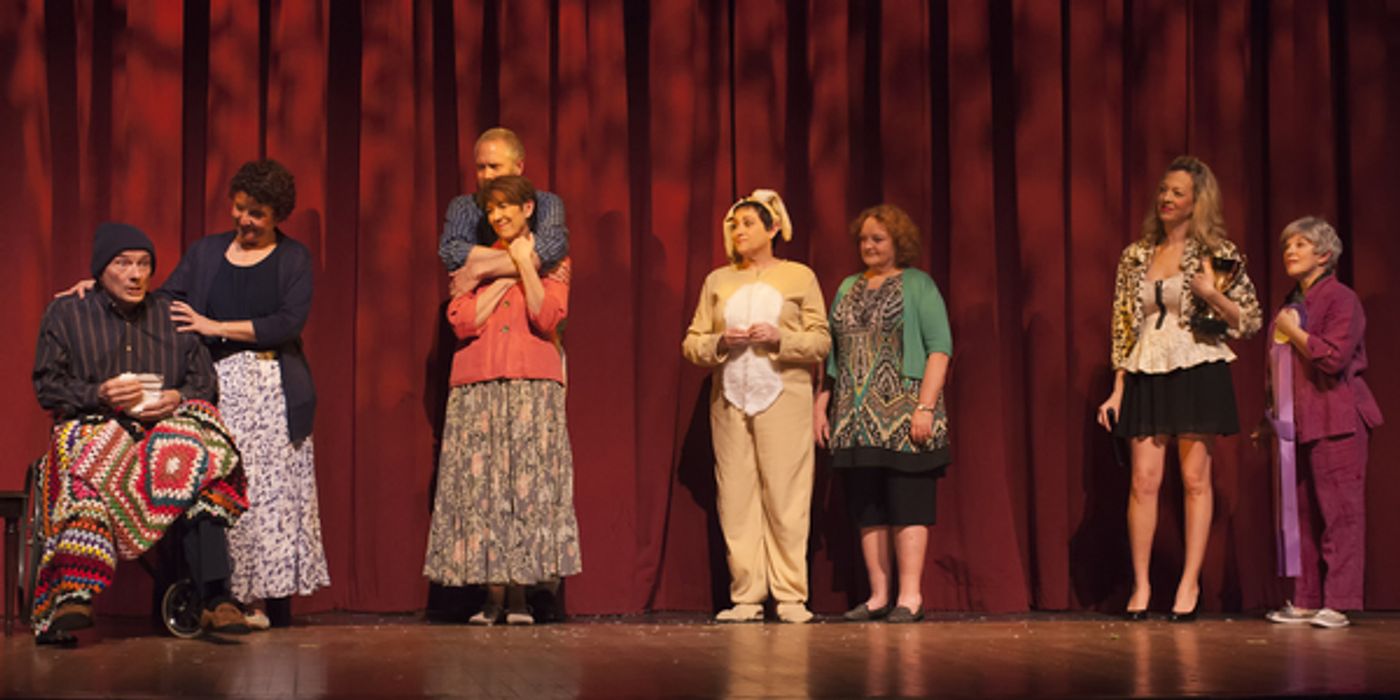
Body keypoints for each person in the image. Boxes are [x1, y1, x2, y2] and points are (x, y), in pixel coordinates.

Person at [31, 222, 250, 645]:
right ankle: (74, 594)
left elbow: (204, 385)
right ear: (101, 270)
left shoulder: (171, 315)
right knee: (87, 454)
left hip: (161, 435)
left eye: (144, 264)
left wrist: (177, 395)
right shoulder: (67, 313)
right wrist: (100, 392)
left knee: (198, 455)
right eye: (123, 263)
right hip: (95, 424)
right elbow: (47, 386)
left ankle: (215, 599)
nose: (136, 274)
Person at [157, 160, 331, 628]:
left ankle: (270, 598)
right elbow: (166, 299)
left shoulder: (293, 259)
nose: (244, 220)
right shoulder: (207, 253)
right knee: (228, 489)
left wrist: (216, 327)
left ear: (277, 216)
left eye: (257, 213)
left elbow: (287, 322)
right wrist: (101, 289)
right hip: (218, 389)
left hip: (273, 389)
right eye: (239, 209)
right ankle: (232, 598)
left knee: (273, 496)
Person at [1096, 156, 1262, 621]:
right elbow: (1124, 326)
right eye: (1163, 191)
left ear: (1196, 202)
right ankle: (1142, 584)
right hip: (1147, 367)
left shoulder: (1217, 252)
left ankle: (1189, 584)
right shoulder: (1135, 255)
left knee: (1194, 480)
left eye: (1177, 193)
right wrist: (1117, 387)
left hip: (1196, 365)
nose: (1166, 199)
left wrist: (1211, 294)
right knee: (1143, 481)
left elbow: (1249, 320)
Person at [423, 175, 581, 626]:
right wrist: (501, 270)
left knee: (525, 492)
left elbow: (547, 313)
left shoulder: (555, 260)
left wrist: (524, 266)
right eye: (492, 211)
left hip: (533, 383)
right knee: (485, 492)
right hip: (479, 383)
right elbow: (463, 319)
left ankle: (520, 598)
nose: (498, 216)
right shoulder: (476, 259)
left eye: (506, 208)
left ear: (529, 208)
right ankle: (492, 598)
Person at [682, 189, 830, 624]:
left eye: (748, 224)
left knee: (786, 495)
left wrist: (780, 339)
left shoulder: (799, 277)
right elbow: (692, 342)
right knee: (736, 497)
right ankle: (746, 594)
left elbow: (821, 340)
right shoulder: (718, 281)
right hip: (730, 400)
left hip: (784, 396)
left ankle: (789, 595)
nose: (739, 231)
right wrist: (719, 343)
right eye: (734, 225)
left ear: (772, 228)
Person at [814, 204, 952, 624]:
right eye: (864, 239)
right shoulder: (847, 287)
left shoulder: (918, 285)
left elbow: (939, 349)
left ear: (898, 243)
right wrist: (823, 403)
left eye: (878, 239)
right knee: (867, 506)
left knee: (908, 503)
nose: (868, 246)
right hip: (854, 417)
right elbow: (834, 356)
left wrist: (925, 407)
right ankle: (878, 596)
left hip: (906, 411)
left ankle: (909, 597)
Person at [1263, 217, 1382, 629]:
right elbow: (1278, 370)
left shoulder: (1341, 299)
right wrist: (1271, 418)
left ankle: (1340, 601)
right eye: (1287, 245)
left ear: (1324, 255)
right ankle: (1307, 599)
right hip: (1296, 422)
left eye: (1301, 244)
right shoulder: (1291, 303)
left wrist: (1294, 333)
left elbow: (1332, 357)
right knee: (1302, 516)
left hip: (1337, 417)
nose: (1290, 252)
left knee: (1340, 512)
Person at [439, 127, 569, 294]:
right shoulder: (463, 206)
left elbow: (552, 248)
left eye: (494, 166)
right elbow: (452, 253)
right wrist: (528, 262)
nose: (486, 175)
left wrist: (478, 270)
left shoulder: (546, 203)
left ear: (518, 167)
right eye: (481, 167)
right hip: (480, 310)